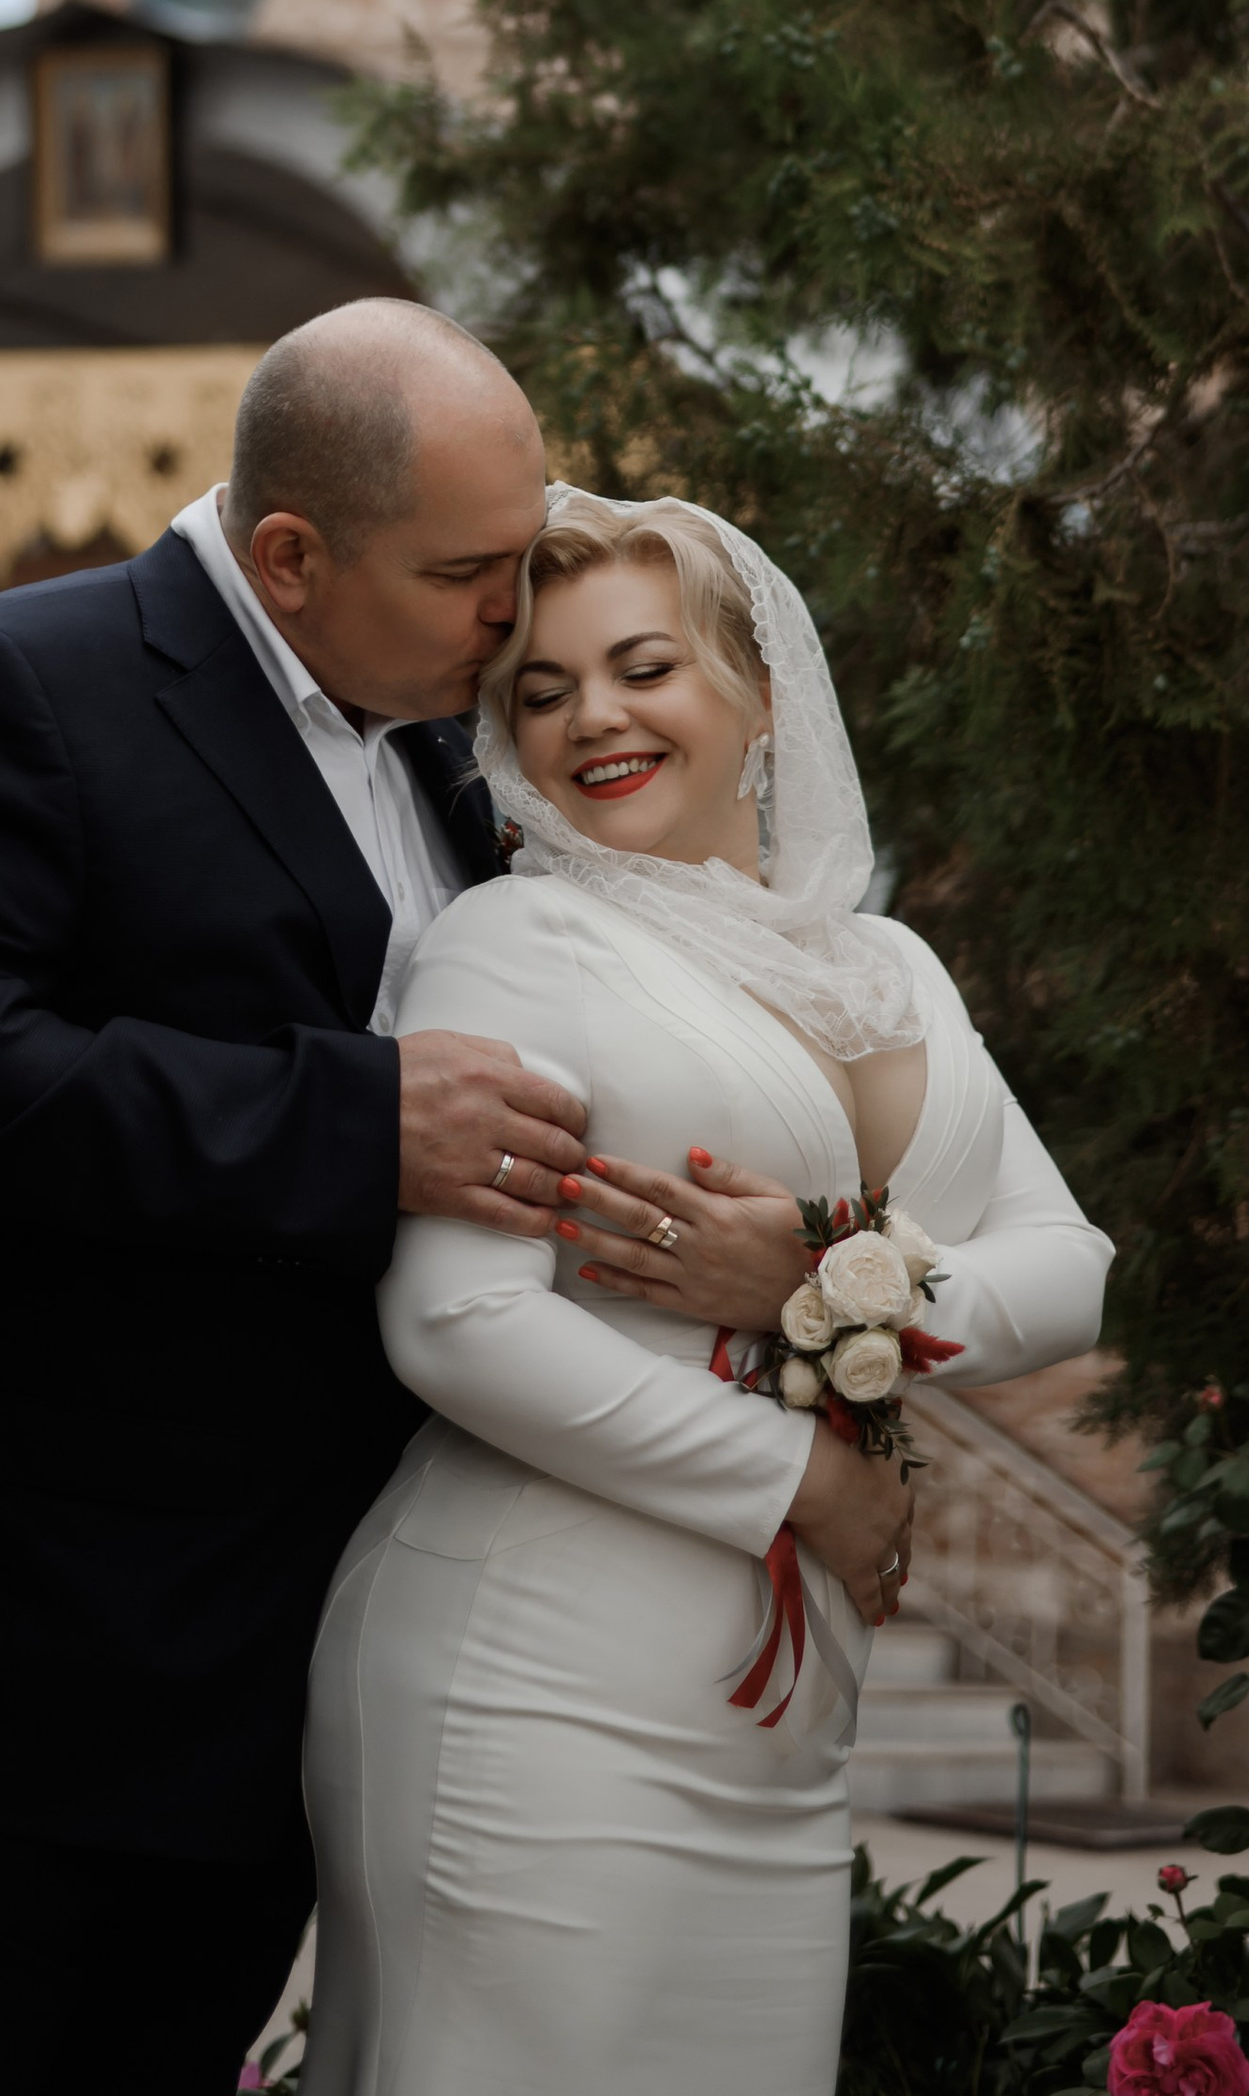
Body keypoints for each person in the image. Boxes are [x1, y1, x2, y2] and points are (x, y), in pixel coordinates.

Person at [0, 303, 594, 2093]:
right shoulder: (16, 685)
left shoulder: (446, 744)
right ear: (290, 555)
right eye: (470, 575)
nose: (516, 620)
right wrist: (354, 1126)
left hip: (264, 1684)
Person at [304, 490, 1115, 2096]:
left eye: (643, 667)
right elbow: (456, 1322)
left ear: (758, 693)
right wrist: (804, 1477)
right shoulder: (514, 942)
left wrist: (824, 1272)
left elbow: (1070, 1269)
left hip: (784, 1729)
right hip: (538, 1674)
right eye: (540, 692)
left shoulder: (891, 968)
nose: (592, 715)